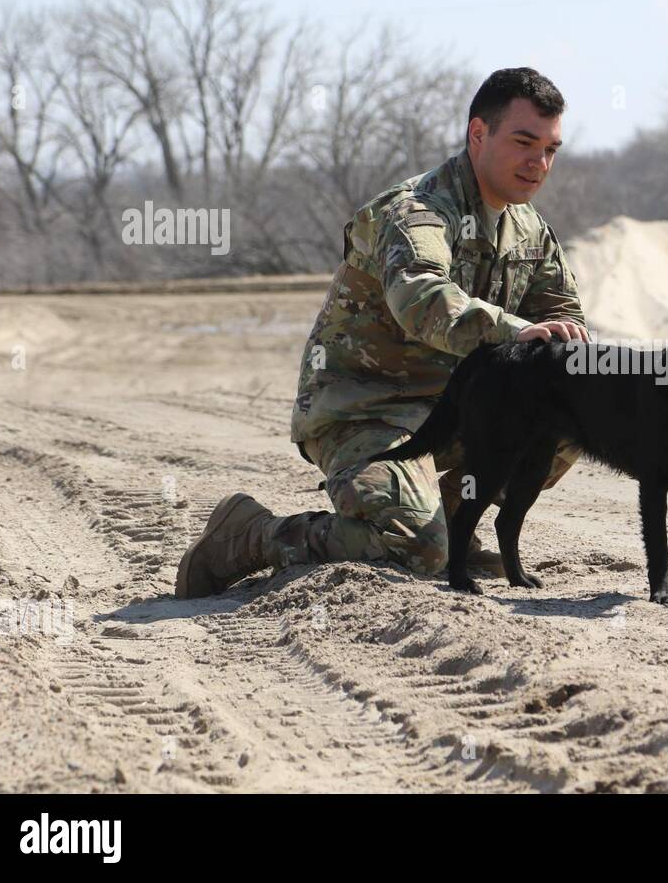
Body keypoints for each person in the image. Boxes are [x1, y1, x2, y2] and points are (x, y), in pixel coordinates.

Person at [175, 68, 588, 598]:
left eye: (552, 149)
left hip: (452, 412)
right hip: (366, 409)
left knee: (570, 411)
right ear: (478, 134)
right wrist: (515, 331)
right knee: (415, 549)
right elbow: (421, 299)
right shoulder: (418, 211)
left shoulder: (529, 228)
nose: (540, 163)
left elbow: (563, 315)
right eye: (524, 142)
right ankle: (250, 537)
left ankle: (449, 519)